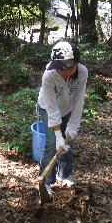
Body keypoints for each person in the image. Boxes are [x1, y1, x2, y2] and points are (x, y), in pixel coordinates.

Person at [37, 41, 88, 195]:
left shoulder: (82, 72)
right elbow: (52, 108)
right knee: (53, 143)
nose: (64, 72)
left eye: (68, 68)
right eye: (60, 68)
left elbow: (79, 101)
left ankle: (65, 174)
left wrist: (72, 128)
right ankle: (46, 181)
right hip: (48, 107)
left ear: (76, 64)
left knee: (68, 141)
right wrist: (58, 134)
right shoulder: (49, 75)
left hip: (67, 108)